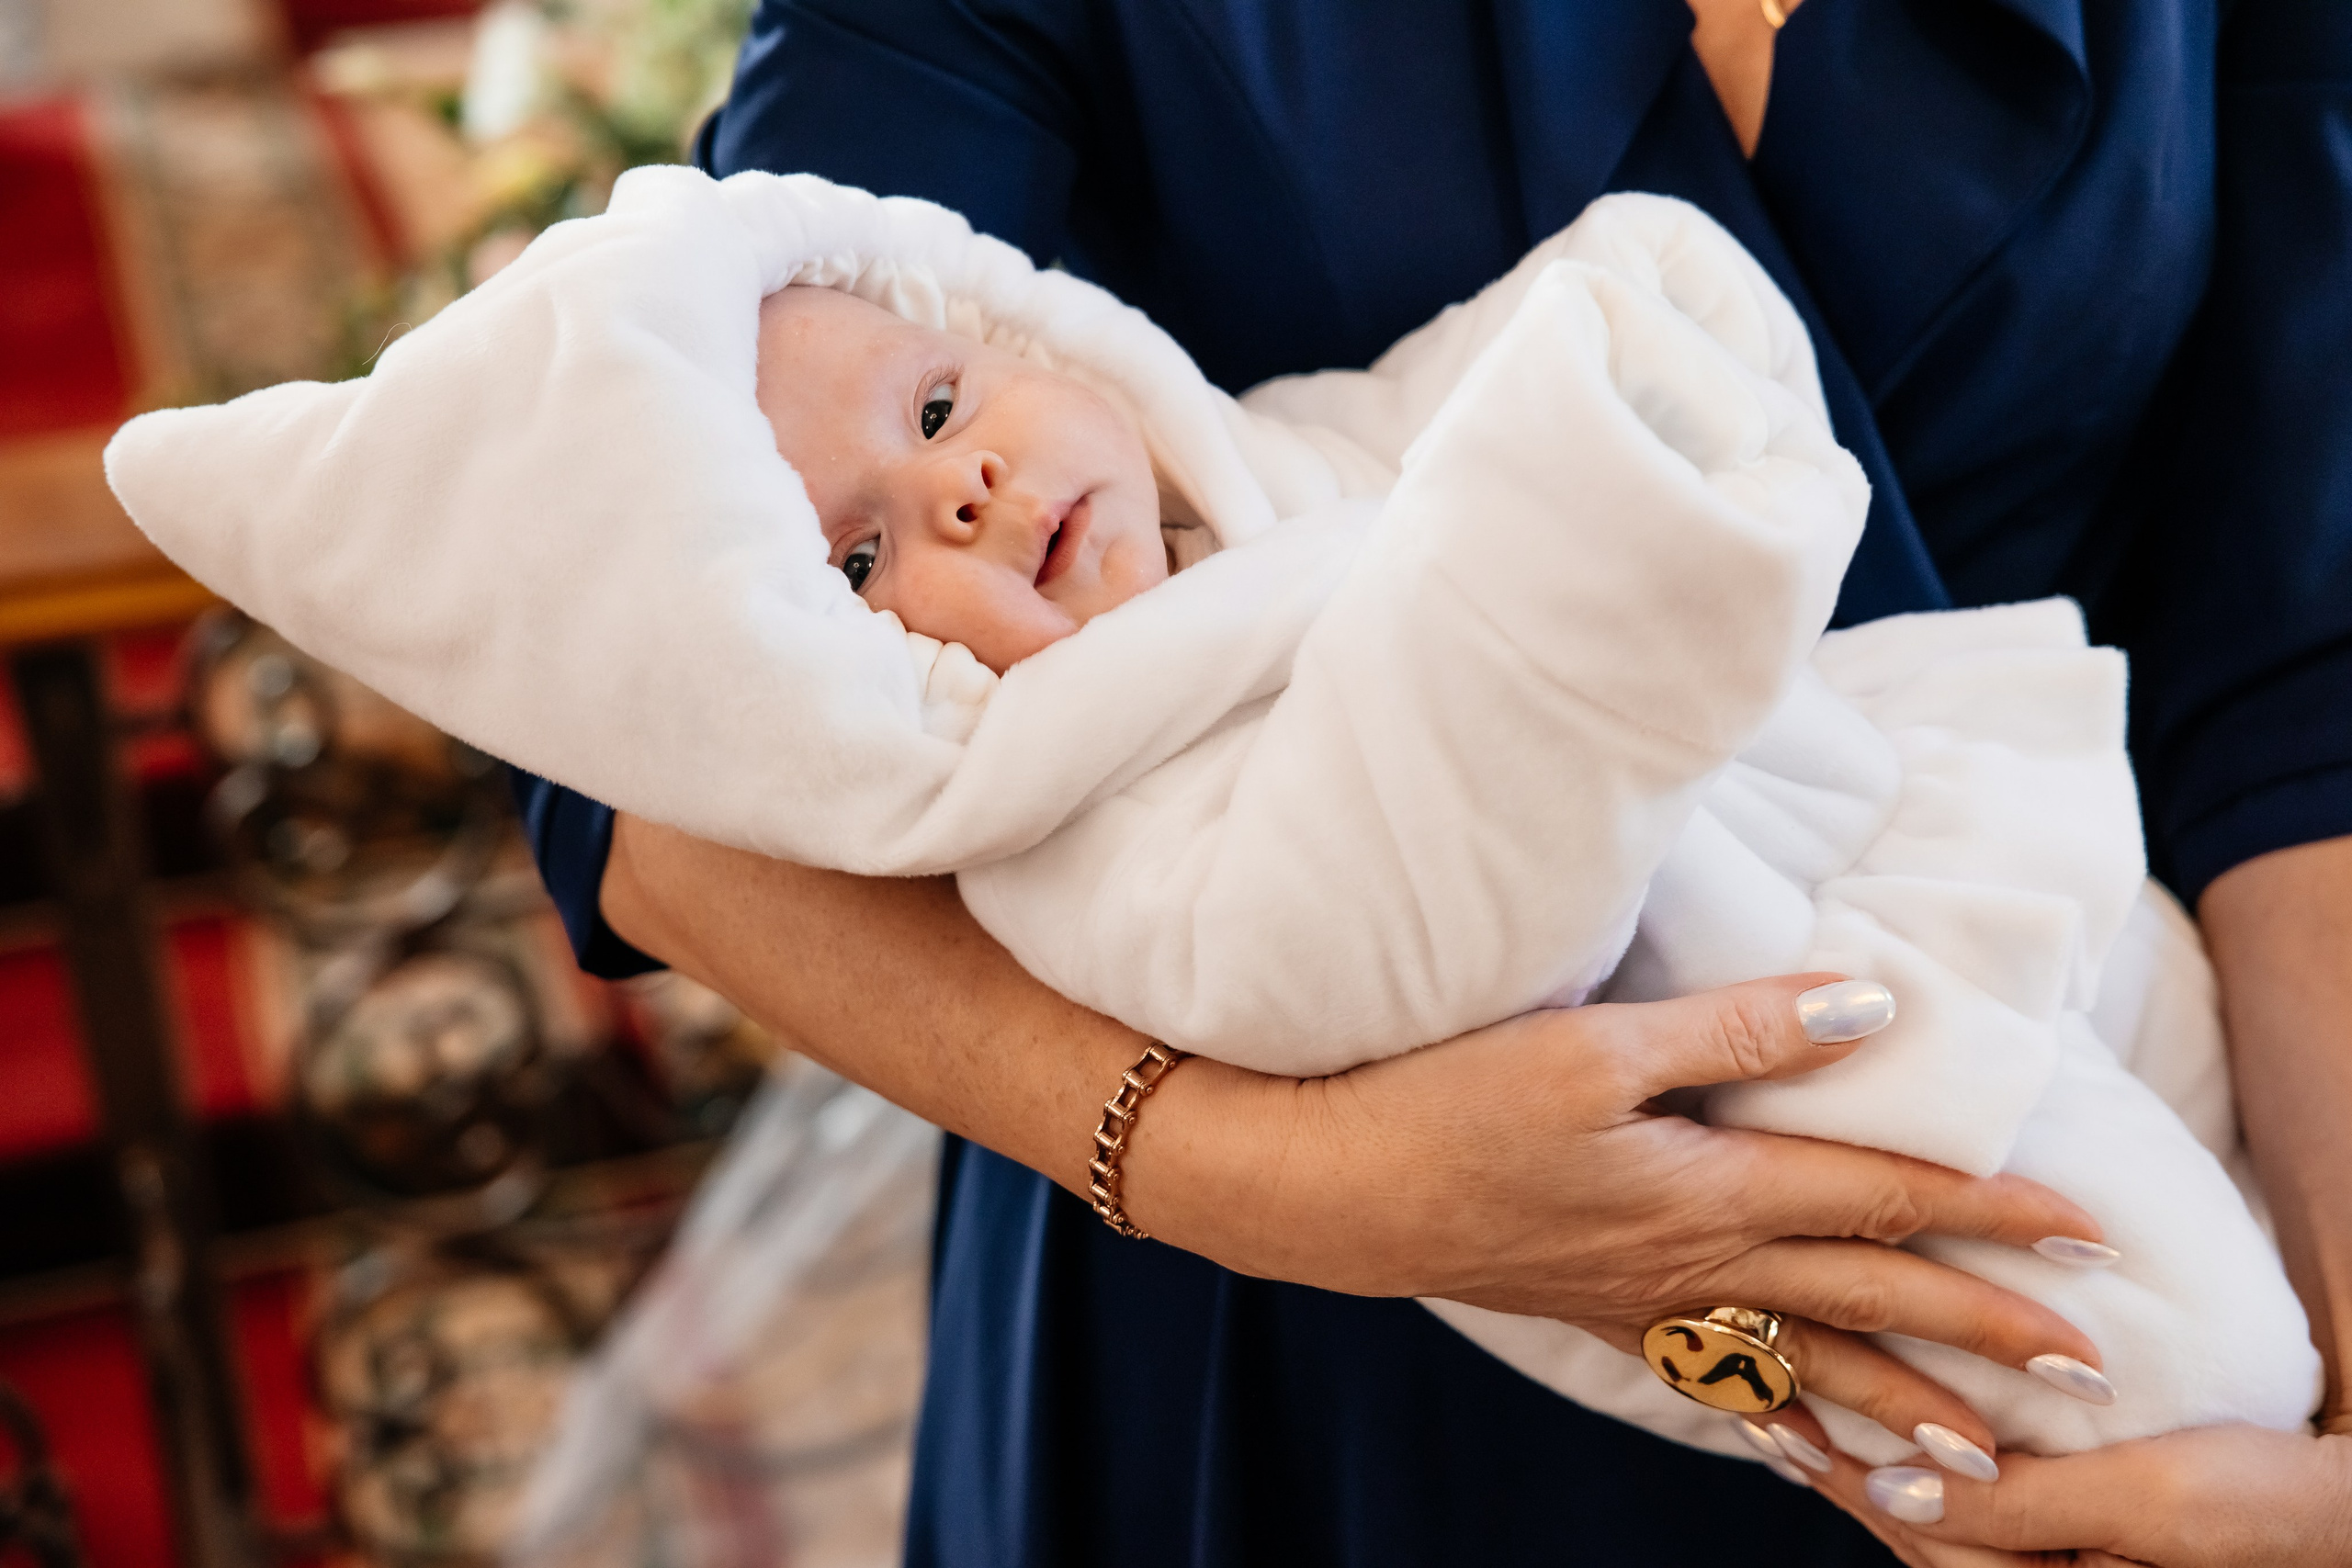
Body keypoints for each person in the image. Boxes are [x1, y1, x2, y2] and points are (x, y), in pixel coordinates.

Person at [520, 0, 2352, 1562]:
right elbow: (647, 753)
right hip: (1293, 1327)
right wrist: (1284, 1171)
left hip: (2071, 1117)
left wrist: (2319, 1451)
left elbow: (2297, 681)